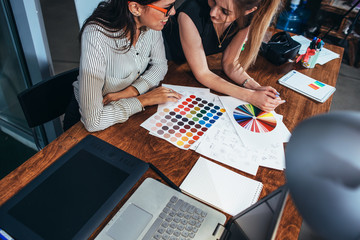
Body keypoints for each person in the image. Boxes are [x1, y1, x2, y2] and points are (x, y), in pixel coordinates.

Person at [63, 0, 181, 132]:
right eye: (167, 7)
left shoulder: (151, 23)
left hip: (125, 113)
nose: (173, 12)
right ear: (135, 8)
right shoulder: (96, 36)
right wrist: (143, 100)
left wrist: (132, 91)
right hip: (84, 125)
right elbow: (93, 121)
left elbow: (160, 65)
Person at [162, 0, 285, 112]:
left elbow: (230, 63)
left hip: (188, 66)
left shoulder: (247, 19)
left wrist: (256, 87)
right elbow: (203, 73)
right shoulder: (191, 11)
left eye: (225, 11)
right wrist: (250, 96)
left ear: (248, 11)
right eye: (213, 1)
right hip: (166, 64)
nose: (213, 12)